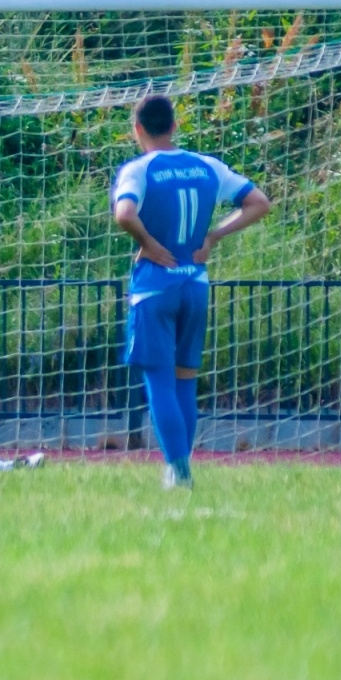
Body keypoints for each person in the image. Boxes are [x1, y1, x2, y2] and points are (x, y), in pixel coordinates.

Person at [111, 94, 271, 490]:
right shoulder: (206, 166)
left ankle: (178, 470)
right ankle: (182, 467)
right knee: (185, 380)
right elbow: (259, 202)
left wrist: (147, 243)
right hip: (195, 284)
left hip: (155, 288)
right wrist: (214, 235)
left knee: (159, 381)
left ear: (137, 129)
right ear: (175, 126)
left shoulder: (139, 168)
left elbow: (125, 214)